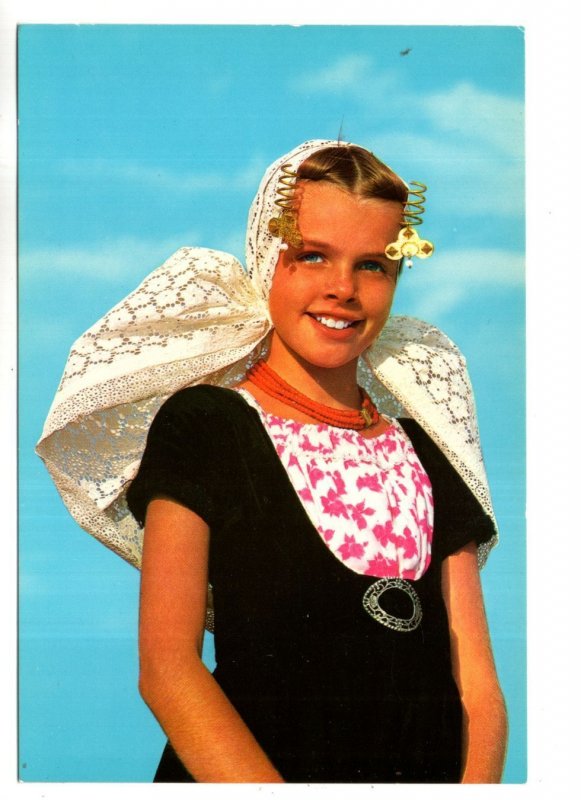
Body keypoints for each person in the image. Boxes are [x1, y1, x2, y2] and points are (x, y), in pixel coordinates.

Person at [37, 139, 507, 783]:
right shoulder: (206, 426)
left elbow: (477, 688)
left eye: (372, 265)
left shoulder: (426, 448)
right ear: (267, 257)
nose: (342, 288)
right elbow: (168, 669)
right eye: (312, 256)